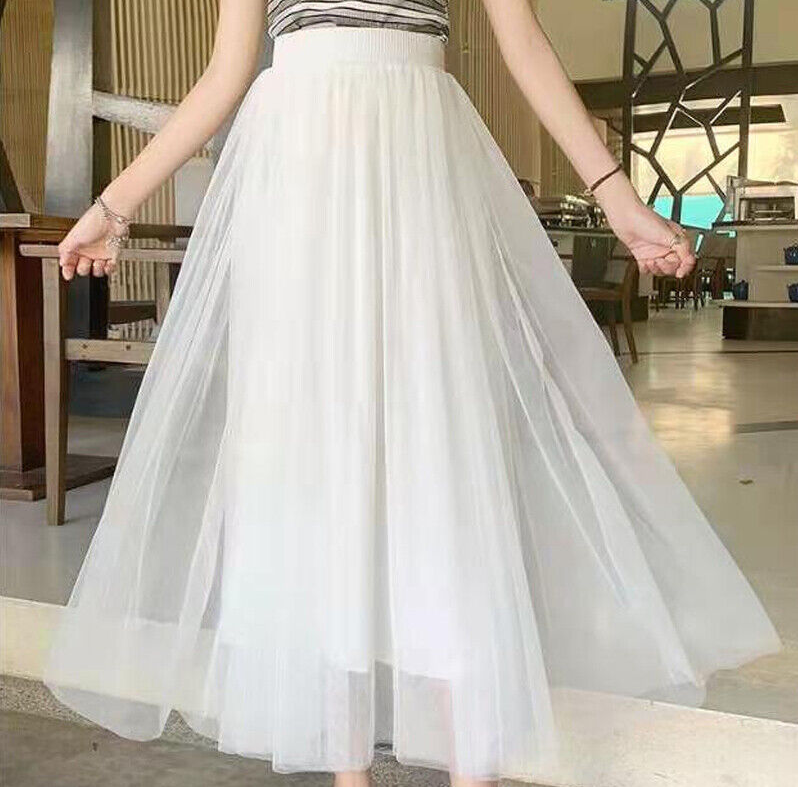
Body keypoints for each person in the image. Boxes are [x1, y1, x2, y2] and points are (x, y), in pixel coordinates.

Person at [44, 1, 782, 786]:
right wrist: (115, 204)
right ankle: (347, 771)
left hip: (422, 159)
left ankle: (472, 764)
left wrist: (618, 199)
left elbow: (524, 45)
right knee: (315, 463)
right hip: (299, 170)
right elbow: (225, 75)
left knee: (442, 454)